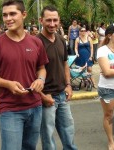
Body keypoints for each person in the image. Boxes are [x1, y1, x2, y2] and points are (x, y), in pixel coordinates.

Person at [0, 0, 48, 150]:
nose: (8, 18)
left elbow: (42, 68)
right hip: (10, 109)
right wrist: (8, 84)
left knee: (30, 147)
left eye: (12, 13)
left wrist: (40, 79)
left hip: (35, 107)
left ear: (24, 15)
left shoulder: (36, 42)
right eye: (5, 15)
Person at [37, 5, 77, 150]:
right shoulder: (35, 42)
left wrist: (68, 84)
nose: (52, 24)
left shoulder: (60, 39)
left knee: (69, 133)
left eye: (55, 20)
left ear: (59, 20)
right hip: (46, 97)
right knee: (48, 138)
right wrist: (41, 96)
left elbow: (65, 64)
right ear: (41, 20)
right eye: (48, 20)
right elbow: (29, 73)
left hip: (62, 95)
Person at [97, 23, 114, 150]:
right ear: (110, 35)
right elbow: (107, 72)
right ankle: (111, 141)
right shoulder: (102, 50)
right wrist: (111, 70)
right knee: (109, 115)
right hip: (107, 88)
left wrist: (112, 70)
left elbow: (110, 71)